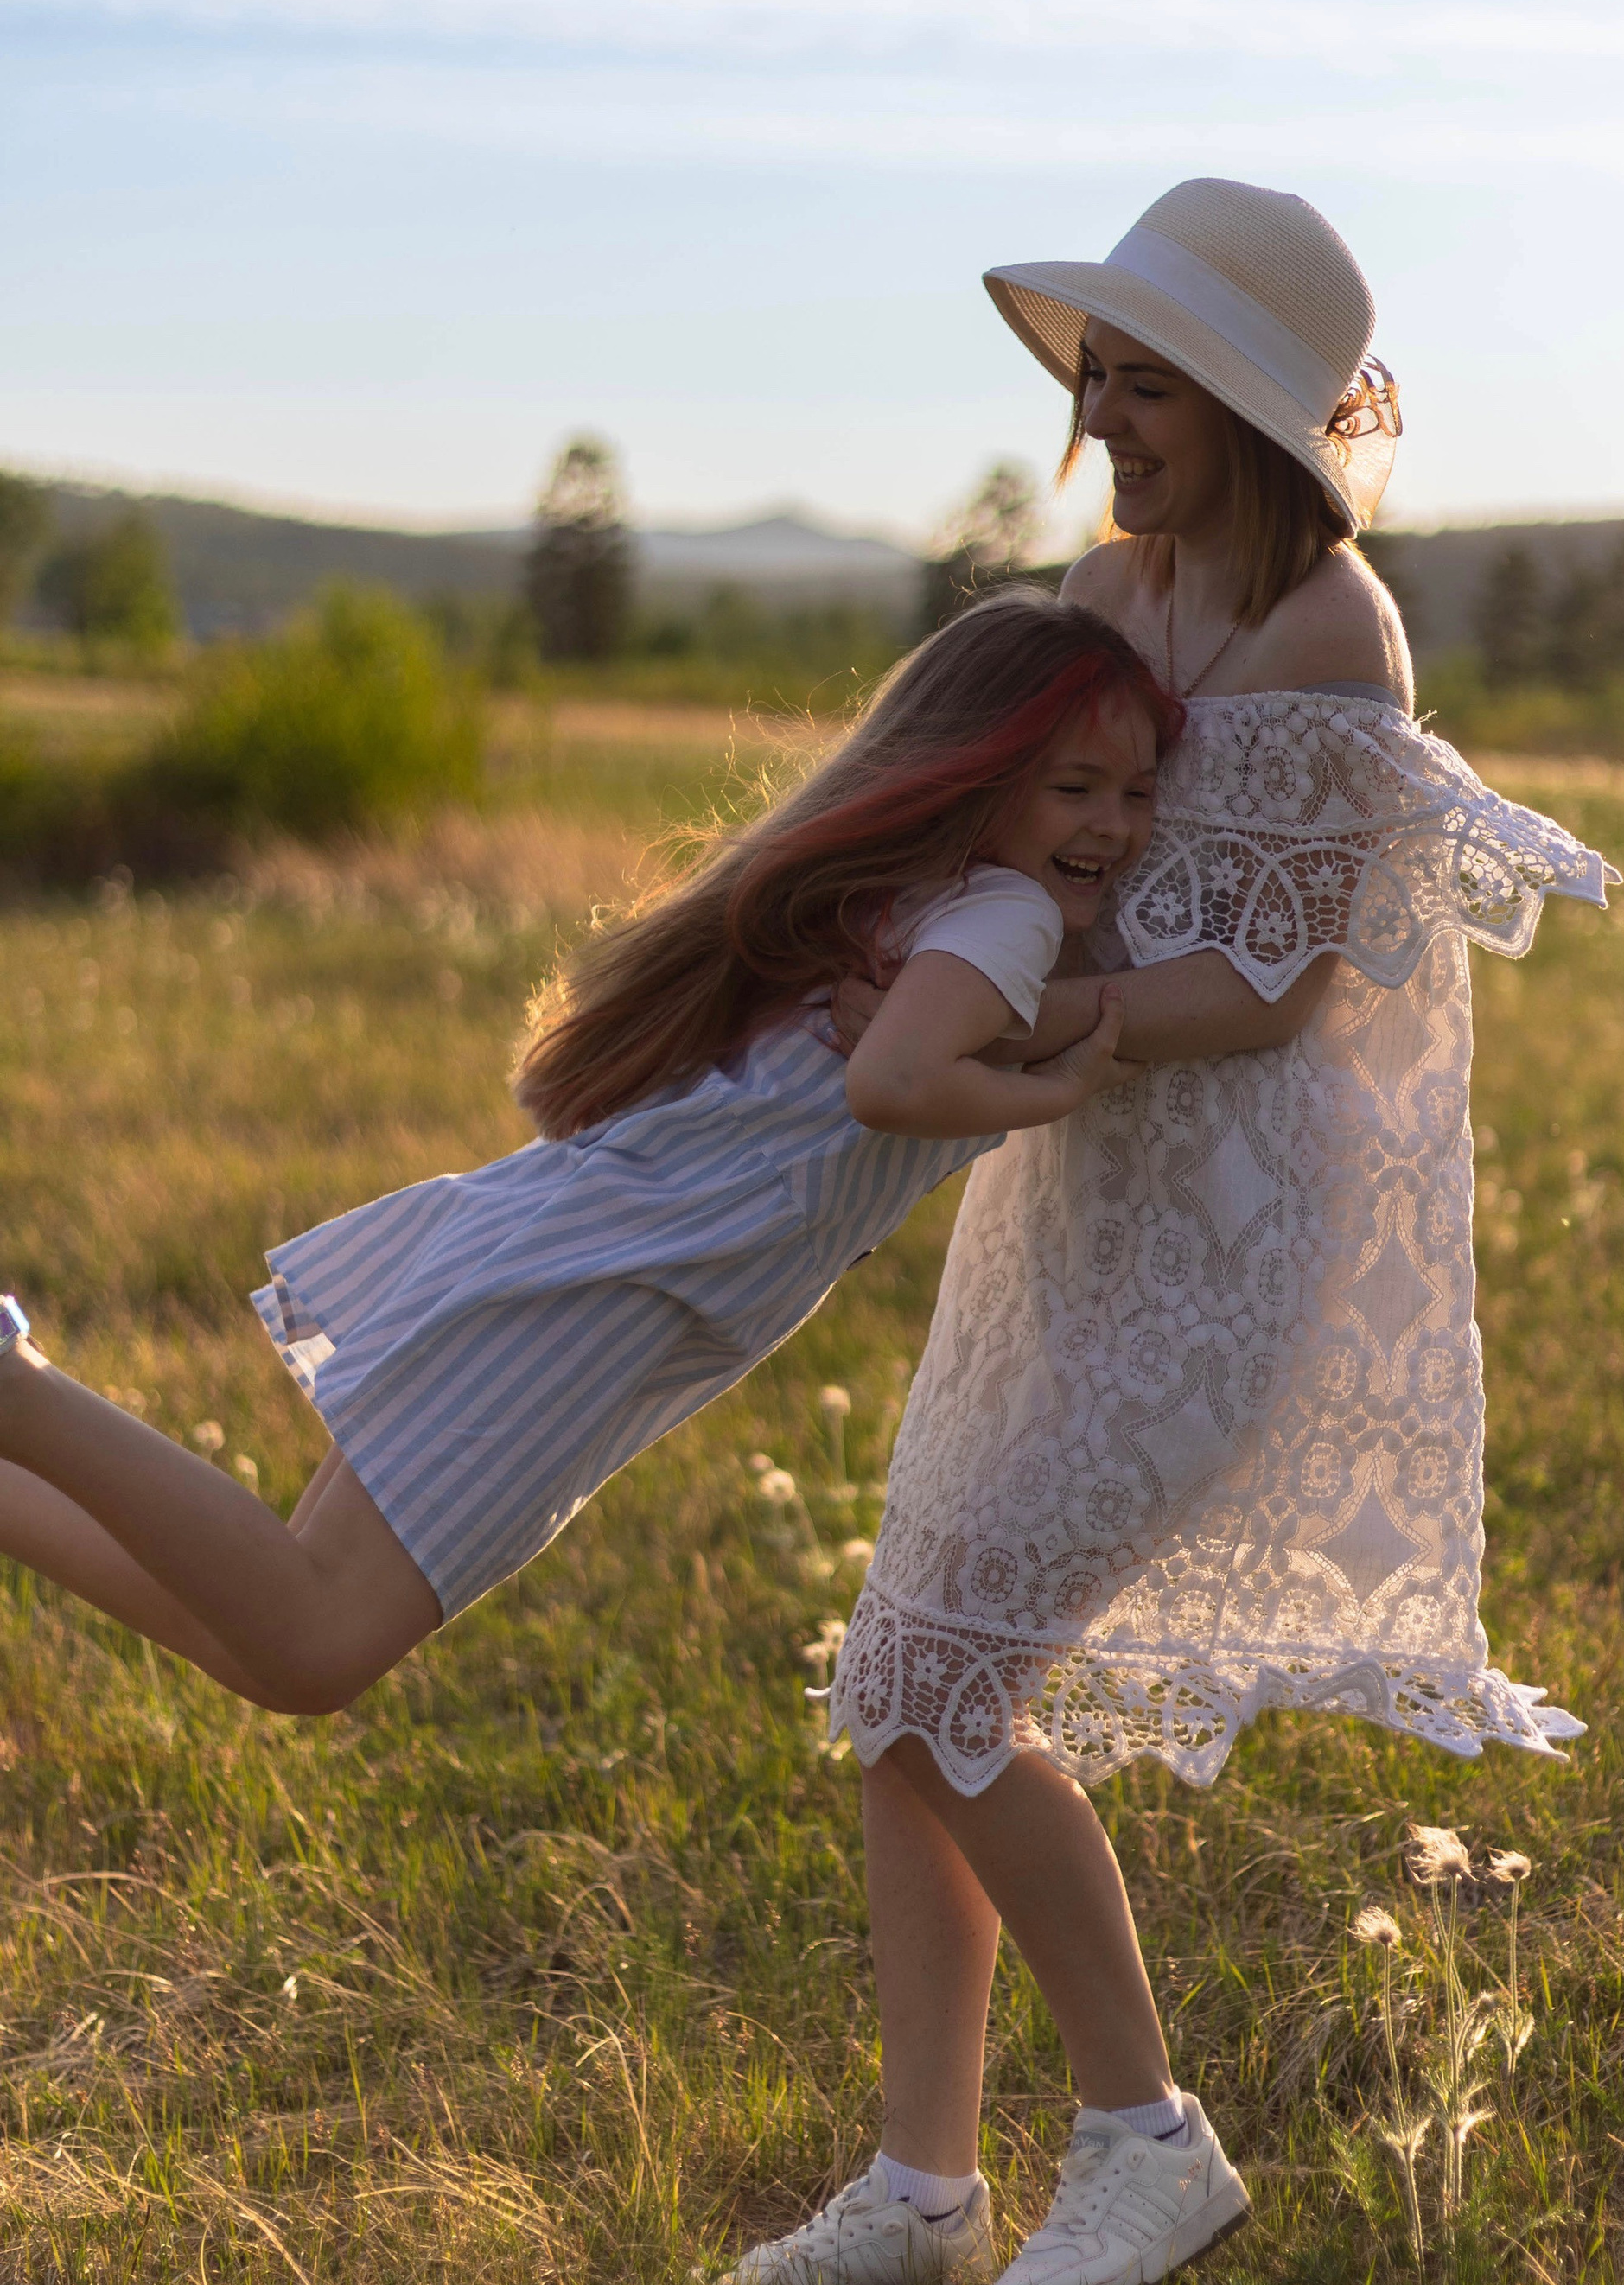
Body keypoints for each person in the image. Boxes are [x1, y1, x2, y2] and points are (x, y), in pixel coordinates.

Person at [719, 178, 1612, 2285]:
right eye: (1093, 371)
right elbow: (1017, 844)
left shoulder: (1333, 640)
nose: (1103, 412)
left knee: (948, 1684)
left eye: (1143, 378)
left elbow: (1281, 989)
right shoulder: (1101, 591)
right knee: (896, 1685)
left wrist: (1051, 1018)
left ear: (1241, 403)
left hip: (1223, 1225)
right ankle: (920, 2186)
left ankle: (1142, 2146)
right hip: (1061, 1203)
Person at [0, 594, 1169, 1719]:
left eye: (1137, 791)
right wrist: (1060, 1081)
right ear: (977, 776)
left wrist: (1026, 1042)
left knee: (282, 1646)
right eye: (1074, 788)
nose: (1113, 825)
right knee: (313, 1638)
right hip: (601, 1302)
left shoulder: (904, 898)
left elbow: (896, 1055)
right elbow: (895, 1080)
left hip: (575, 1255)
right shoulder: (1006, 915)